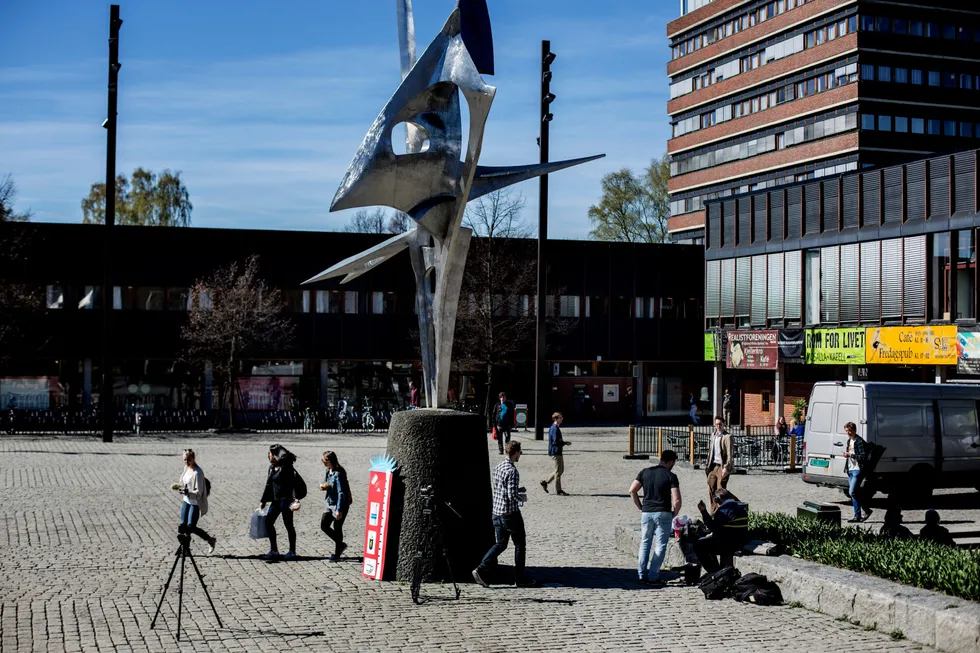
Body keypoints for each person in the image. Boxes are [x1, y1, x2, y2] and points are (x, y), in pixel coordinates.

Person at [472, 440, 534, 588]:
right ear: (516, 453)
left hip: (497, 512)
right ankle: (520, 578)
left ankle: (480, 569)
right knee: (520, 545)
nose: (520, 456)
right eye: (520, 453)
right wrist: (522, 497)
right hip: (510, 514)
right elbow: (511, 494)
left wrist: (518, 490)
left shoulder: (499, 466)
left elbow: (501, 489)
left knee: (500, 544)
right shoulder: (512, 471)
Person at [629, 449, 681, 585]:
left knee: (645, 542)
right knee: (660, 545)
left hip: (646, 512)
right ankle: (653, 576)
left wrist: (640, 506)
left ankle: (641, 574)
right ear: (671, 462)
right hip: (663, 512)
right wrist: (674, 513)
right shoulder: (671, 476)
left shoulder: (645, 472)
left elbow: (632, 490)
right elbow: (676, 500)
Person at [259, 444, 300, 561]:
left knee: (288, 525)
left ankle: (292, 551)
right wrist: (263, 500)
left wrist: (295, 500)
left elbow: (293, 485)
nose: (269, 456)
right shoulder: (272, 468)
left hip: (286, 501)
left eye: (270, 454)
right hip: (276, 501)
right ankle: (274, 550)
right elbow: (268, 485)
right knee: (268, 521)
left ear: (276, 455)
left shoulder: (287, 467)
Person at [694, 488, 749, 575]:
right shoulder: (741, 508)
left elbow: (713, 527)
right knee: (708, 543)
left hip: (727, 544)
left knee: (699, 545)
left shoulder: (723, 510)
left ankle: (714, 572)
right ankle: (717, 570)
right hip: (740, 542)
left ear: (717, 499)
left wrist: (703, 511)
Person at [173, 449, 216, 553]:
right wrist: (179, 487)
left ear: (194, 459)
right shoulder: (186, 468)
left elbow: (198, 494)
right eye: (184, 460)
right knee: (183, 526)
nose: (187, 462)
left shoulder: (198, 473)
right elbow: (184, 483)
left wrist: (187, 493)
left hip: (195, 503)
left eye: (189, 460)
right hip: (186, 501)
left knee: (190, 527)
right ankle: (185, 549)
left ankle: (210, 540)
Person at [319, 451, 352, 561]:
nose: (322, 462)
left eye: (323, 460)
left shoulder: (338, 474)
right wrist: (324, 487)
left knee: (337, 527)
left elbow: (341, 493)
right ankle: (341, 544)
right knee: (324, 525)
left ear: (329, 461)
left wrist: (338, 510)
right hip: (330, 503)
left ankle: (337, 553)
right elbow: (326, 483)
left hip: (340, 504)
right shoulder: (328, 471)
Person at [843, 421, 873, 523]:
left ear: (854, 430)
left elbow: (864, 457)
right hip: (850, 469)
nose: (848, 433)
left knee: (852, 492)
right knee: (854, 493)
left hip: (858, 470)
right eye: (847, 431)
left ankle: (863, 512)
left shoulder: (859, 441)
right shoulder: (849, 441)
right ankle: (859, 515)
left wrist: (850, 455)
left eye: (850, 431)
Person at [704, 416, 734, 512]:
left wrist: (726, 467)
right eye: (716, 424)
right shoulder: (713, 435)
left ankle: (722, 510)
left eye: (720, 424)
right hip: (713, 466)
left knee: (720, 490)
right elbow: (711, 451)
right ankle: (713, 510)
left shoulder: (727, 437)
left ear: (724, 424)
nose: (718, 426)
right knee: (711, 487)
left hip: (722, 466)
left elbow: (730, 454)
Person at [540, 412, 570, 495]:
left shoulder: (555, 428)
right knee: (558, 472)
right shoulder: (554, 429)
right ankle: (558, 490)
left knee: (560, 470)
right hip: (555, 451)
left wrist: (564, 443)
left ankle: (545, 481)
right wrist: (564, 443)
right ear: (556, 419)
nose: (562, 419)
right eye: (560, 418)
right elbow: (556, 442)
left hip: (557, 451)